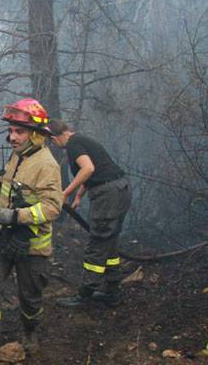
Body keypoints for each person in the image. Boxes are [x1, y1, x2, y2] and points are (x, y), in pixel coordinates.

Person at [0, 98, 62, 364]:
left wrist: (17, 216)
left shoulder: (47, 164)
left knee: (30, 296)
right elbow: (14, 184)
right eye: (10, 130)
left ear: (36, 134)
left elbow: (53, 208)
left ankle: (30, 333)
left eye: (18, 131)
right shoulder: (18, 155)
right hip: (2, 235)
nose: (12, 137)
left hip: (32, 244)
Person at [49, 119, 132, 309]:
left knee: (98, 242)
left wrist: (66, 193)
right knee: (108, 242)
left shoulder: (72, 145)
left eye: (52, 141)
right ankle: (112, 291)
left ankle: (84, 295)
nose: (54, 145)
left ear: (55, 137)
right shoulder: (81, 139)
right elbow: (96, 169)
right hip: (121, 189)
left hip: (108, 195)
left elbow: (88, 169)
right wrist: (79, 195)